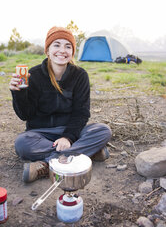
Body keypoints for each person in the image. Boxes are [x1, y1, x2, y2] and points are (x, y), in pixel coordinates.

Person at [9, 26, 111, 183]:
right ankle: (87, 153)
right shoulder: (34, 75)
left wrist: (67, 137)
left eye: (67, 46)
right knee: (21, 143)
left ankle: (46, 164)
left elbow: (81, 113)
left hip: (70, 130)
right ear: (47, 50)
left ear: (72, 52)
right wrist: (18, 92)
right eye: (56, 45)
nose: (62, 50)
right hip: (41, 134)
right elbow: (25, 115)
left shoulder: (80, 75)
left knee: (103, 131)